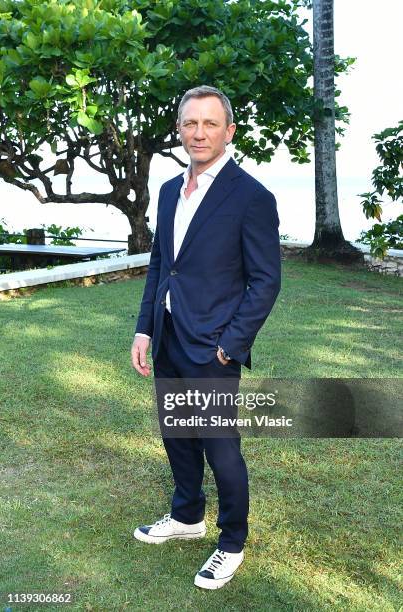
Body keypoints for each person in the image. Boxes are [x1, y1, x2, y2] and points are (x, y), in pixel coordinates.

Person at [131, 85, 281, 589]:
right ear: (180, 129)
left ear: (228, 131)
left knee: (220, 447)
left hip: (213, 345)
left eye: (210, 123)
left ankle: (231, 541)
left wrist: (230, 345)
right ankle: (187, 515)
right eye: (190, 123)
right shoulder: (171, 189)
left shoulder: (252, 197)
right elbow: (161, 263)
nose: (199, 132)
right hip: (170, 334)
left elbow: (265, 281)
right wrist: (144, 327)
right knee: (177, 434)